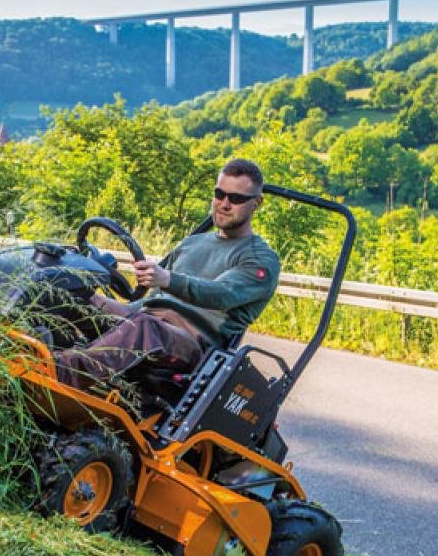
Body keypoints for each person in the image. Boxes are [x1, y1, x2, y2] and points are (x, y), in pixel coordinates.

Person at [54, 158, 280, 391]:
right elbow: (150, 295)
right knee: (70, 292)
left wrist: (168, 279)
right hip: (144, 319)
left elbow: (222, 294)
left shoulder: (259, 258)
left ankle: (56, 372)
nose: (224, 204)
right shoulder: (192, 243)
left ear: (257, 203)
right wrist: (96, 296)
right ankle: (25, 346)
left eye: (236, 198)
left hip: (191, 343)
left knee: (144, 328)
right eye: (219, 194)